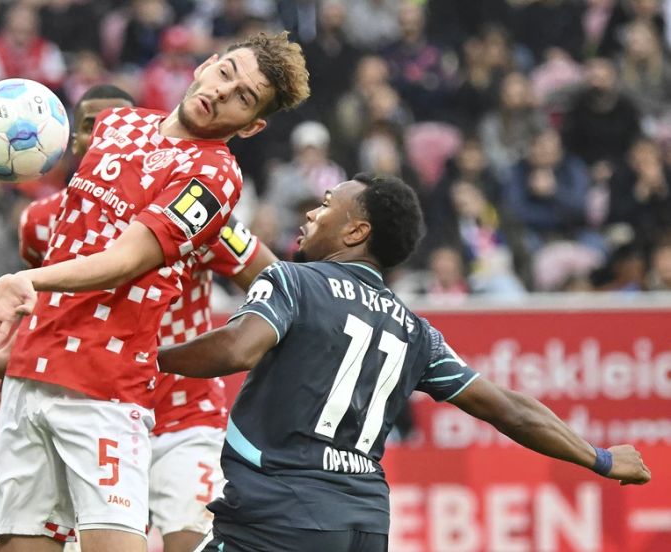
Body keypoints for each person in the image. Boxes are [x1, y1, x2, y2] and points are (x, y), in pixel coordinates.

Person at [157, 173, 652, 552]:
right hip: (366, 525)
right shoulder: (416, 331)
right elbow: (509, 409)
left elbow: (236, 348)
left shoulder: (293, 281)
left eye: (327, 205)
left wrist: (150, 359)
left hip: (276, 518)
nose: (311, 213)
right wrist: (600, 458)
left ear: (356, 231)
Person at [0, 32, 310, 552]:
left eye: (243, 96)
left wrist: (22, 281)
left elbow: (125, 261)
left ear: (252, 124)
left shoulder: (214, 178)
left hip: (107, 390)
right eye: (226, 73)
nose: (222, 91)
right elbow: (72, 251)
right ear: (207, 65)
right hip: (33, 379)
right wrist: (20, 348)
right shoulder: (119, 124)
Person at [11, 84, 278, 552]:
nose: (112, 135)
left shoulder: (198, 209)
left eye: (123, 123)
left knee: (190, 544)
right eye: (95, 125)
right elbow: (44, 306)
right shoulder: (39, 223)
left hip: (183, 411)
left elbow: (273, 279)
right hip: (89, 396)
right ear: (75, 140)